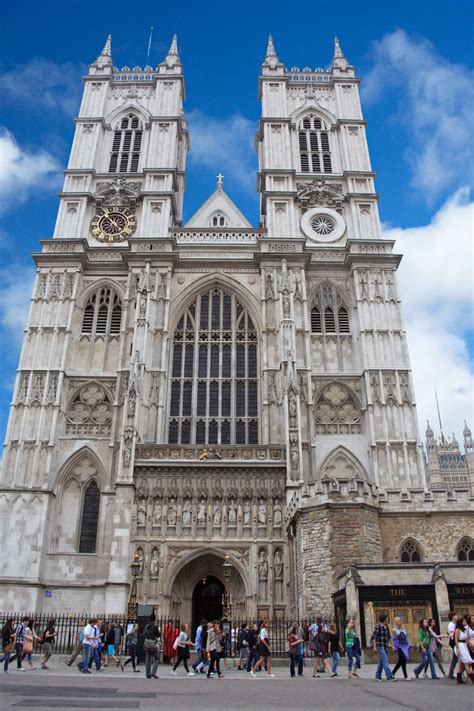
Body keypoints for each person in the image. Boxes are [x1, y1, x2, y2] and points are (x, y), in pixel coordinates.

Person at [370, 613, 395, 681]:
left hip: (385, 646)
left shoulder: (386, 626)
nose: (387, 619)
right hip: (380, 646)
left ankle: (377, 676)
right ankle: (389, 676)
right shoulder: (378, 626)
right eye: (386, 618)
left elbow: (389, 637)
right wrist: (375, 647)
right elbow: (374, 637)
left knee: (382, 661)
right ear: (384, 619)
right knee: (385, 660)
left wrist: (392, 646)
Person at [454, 616, 474, 684]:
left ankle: (459, 678)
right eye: (464, 621)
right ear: (461, 622)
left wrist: (470, 644)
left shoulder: (464, 630)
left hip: (464, 646)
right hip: (460, 646)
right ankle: (472, 677)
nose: (465, 622)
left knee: (462, 662)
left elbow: (466, 639)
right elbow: (456, 640)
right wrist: (457, 649)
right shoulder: (457, 630)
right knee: (466, 662)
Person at [391, 616, 411, 681]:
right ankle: (405, 676)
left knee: (400, 662)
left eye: (400, 620)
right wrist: (395, 648)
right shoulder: (394, 630)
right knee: (403, 661)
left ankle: (392, 673)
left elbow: (407, 637)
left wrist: (409, 644)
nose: (400, 622)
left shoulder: (403, 629)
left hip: (405, 646)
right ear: (396, 622)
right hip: (400, 647)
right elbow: (394, 640)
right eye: (399, 621)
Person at [144, 615, 161, 679]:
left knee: (148, 659)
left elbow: (144, 634)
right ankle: (153, 673)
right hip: (153, 643)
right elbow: (158, 635)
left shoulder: (147, 626)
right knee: (156, 658)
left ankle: (147, 674)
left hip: (147, 643)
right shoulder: (155, 626)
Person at [447, 611, 459, 679]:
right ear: (452, 617)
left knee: (455, 658)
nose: (457, 616)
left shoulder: (454, 624)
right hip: (454, 642)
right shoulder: (451, 624)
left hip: (454, 642)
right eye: (455, 615)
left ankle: (450, 673)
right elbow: (452, 635)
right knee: (457, 657)